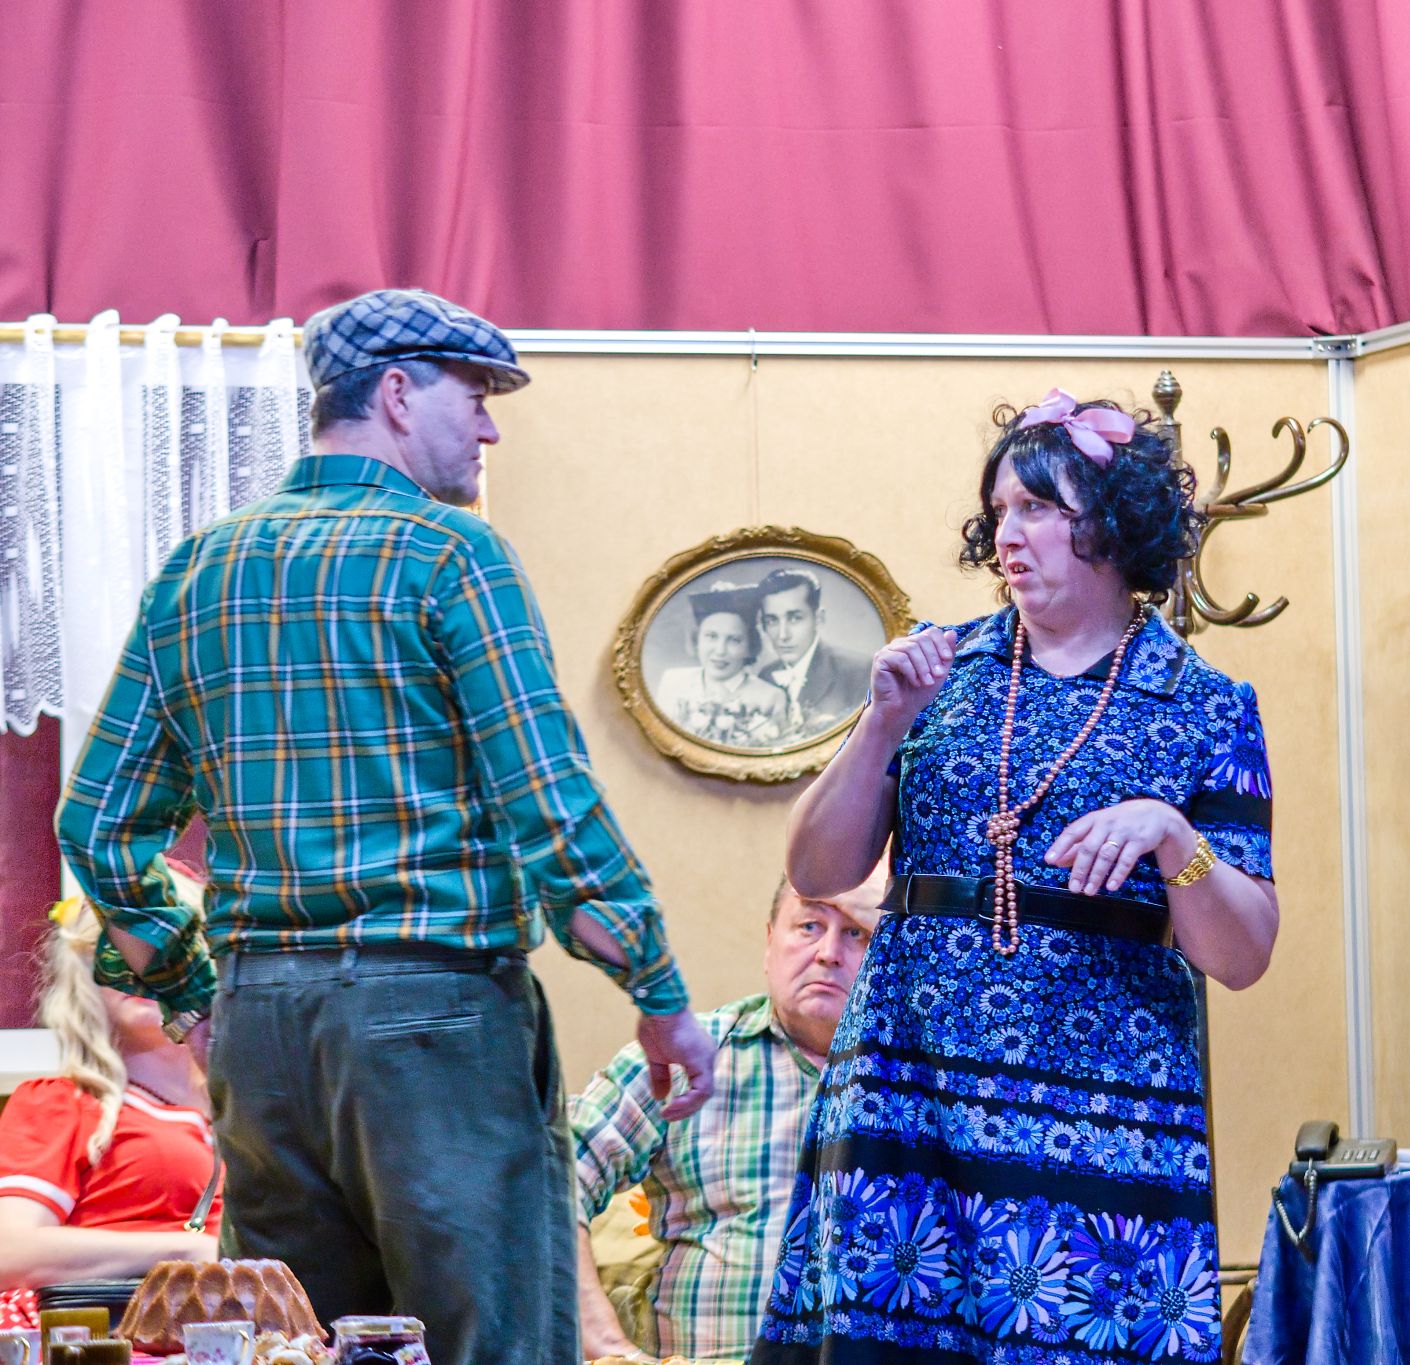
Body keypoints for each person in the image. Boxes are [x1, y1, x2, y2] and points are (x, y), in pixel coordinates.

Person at [54, 288, 716, 1365]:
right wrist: (659, 997)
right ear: (398, 393)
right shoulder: (452, 555)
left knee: (290, 1344)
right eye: (477, 396)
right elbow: (551, 807)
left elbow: (97, 824)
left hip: (262, 1029)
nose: (491, 429)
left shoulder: (197, 571)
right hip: (433, 1018)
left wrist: (190, 989)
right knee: (487, 1343)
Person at [752, 388, 1280, 1365]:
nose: (1008, 532)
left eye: (1036, 507)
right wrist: (881, 723)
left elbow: (1243, 954)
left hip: (1104, 1113)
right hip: (908, 1094)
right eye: (998, 510)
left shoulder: (1207, 704)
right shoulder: (939, 669)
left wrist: (1173, 837)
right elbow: (817, 866)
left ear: (1113, 524)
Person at [573, 865, 887, 1362]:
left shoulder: (937, 1085)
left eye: (857, 933)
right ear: (769, 943)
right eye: (809, 926)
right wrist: (608, 1348)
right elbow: (546, 1181)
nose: (828, 952)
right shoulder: (686, 1059)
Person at [0, 889, 219, 1330]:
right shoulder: (65, 1103)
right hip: (116, 1340)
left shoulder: (255, 1110)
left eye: (167, 949)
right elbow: (9, 1251)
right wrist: (190, 1250)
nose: (142, 969)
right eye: (116, 951)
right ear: (85, 977)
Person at [655, 582, 791, 745]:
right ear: (697, 640)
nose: (720, 651)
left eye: (734, 640)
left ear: (749, 647)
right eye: (711, 636)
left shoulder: (770, 697)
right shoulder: (672, 682)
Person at [753, 567, 869, 739]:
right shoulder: (766, 676)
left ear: (818, 617)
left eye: (795, 618)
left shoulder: (860, 671)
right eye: (772, 621)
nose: (782, 635)